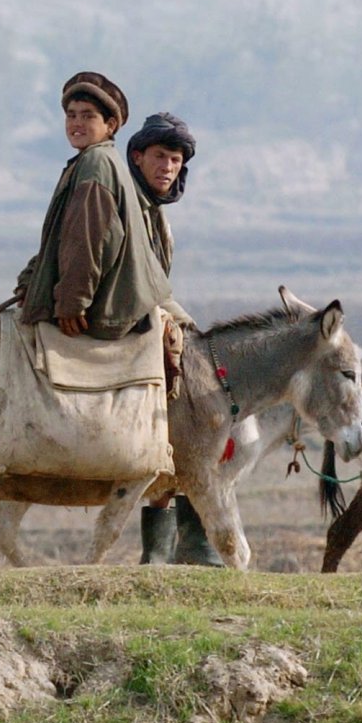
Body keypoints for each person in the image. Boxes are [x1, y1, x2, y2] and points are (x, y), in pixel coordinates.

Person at [116, 112, 222, 566]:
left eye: (176, 160)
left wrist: (192, 330)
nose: (167, 167)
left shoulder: (156, 216)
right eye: (160, 157)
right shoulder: (124, 207)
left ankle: (172, 551)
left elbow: (160, 288)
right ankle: (176, 548)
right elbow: (131, 283)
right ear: (138, 157)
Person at [13, 71, 173, 341]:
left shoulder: (96, 163)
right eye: (71, 115)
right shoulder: (95, 160)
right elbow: (62, 239)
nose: (77, 123)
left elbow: (87, 241)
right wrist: (32, 280)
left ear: (110, 125)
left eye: (88, 116)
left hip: (108, 312)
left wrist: (72, 304)